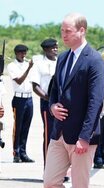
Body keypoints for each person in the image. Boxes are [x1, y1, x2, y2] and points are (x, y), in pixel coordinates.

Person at [43, 12, 104, 188]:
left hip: (81, 136)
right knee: (50, 183)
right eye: (62, 31)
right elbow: (55, 89)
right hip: (59, 133)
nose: (64, 35)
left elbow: (96, 102)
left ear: (81, 31)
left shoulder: (95, 60)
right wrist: (53, 106)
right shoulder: (62, 58)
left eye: (68, 31)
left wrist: (85, 137)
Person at [30, 38, 58, 166]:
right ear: (46, 49)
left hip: (62, 104)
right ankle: (48, 168)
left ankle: (59, 170)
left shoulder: (60, 62)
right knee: (49, 134)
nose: (56, 49)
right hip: (47, 103)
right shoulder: (39, 64)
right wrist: (48, 98)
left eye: (56, 47)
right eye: (53, 47)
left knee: (60, 137)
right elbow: (35, 86)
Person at [7, 44, 34, 163]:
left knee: (26, 127)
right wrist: (28, 68)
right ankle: (16, 152)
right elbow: (19, 81)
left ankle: (23, 152)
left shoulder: (28, 64)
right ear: (16, 53)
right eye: (21, 53)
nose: (24, 55)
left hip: (29, 98)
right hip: (19, 99)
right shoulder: (12, 66)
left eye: (25, 52)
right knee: (17, 127)